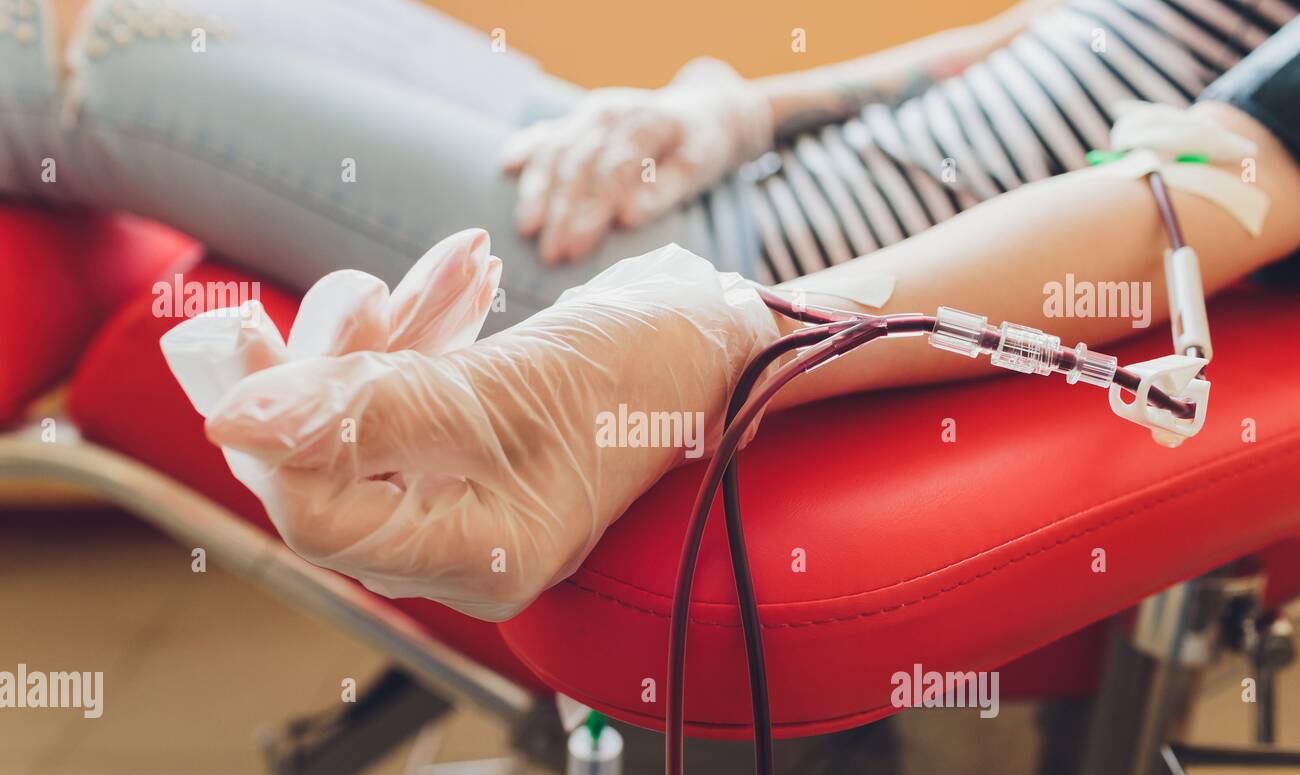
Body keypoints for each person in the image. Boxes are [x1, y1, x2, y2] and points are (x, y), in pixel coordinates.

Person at [2, 0, 1294, 330]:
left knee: (100, 60)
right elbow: (1032, 38)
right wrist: (724, 113)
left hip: (706, 273)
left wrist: (734, 329)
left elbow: (1204, 198)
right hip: (723, 187)